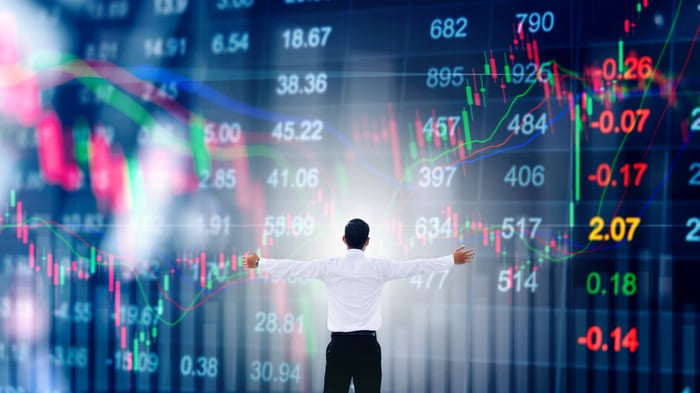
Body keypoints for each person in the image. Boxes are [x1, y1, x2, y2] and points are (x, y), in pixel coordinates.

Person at [244, 218, 475, 393]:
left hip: (340, 347)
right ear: (367, 242)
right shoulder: (378, 267)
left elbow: (294, 268)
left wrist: (260, 262)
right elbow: (415, 266)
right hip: (367, 347)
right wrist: (451, 260)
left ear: (343, 240)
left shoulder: (329, 266)